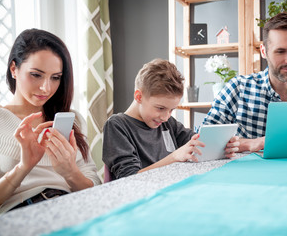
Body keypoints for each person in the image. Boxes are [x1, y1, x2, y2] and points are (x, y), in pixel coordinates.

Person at [0, 29, 101, 213]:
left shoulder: (72, 119)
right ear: (14, 69)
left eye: (55, 78)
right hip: (23, 211)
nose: (46, 88)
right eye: (36, 75)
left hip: (73, 207)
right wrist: (23, 167)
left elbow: (95, 190)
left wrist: (70, 172)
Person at [203, 12, 287, 153]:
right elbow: (204, 142)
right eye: (281, 51)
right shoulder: (238, 89)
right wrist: (252, 144)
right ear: (264, 51)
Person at [102, 59, 239, 180]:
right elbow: (129, 178)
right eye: (160, 108)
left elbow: (196, 142)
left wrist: (222, 146)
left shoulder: (166, 123)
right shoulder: (117, 126)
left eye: (172, 110)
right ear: (139, 97)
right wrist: (174, 157)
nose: (166, 116)